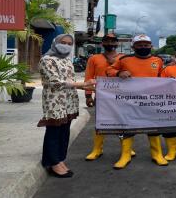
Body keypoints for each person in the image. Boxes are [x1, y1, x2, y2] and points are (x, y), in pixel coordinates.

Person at [38, 34, 95, 178]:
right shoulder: (46, 60)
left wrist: (89, 88)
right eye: (63, 42)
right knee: (54, 132)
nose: (66, 45)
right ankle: (51, 161)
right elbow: (55, 82)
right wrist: (84, 84)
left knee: (64, 132)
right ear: (55, 43)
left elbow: (71, 82)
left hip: (69, 101)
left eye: (69, 43)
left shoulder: (68, 61)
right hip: (54, 101)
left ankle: (60, 159)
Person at [106, 34, 168, 168]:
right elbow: (109, 70)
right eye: (139, 45)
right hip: (129, 101)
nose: (143, 47)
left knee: (154, 129)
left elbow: (163, 77)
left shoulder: (158, 60)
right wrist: (118, 73)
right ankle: (125, 155)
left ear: (151, 46)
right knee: (127, 128)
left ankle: (157, 155)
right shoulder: (124, 59)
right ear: (133, 47)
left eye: (146, 45)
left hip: (151, 101)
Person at [84, 34, 137, 162]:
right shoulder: (94, 58)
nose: (110, 43)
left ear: (117, 43)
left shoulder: (124, 58)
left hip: (121, 96)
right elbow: (89, 76)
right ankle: (97, 149)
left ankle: (127, 149)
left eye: (113, 41)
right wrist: (88, 95)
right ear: (102, 43)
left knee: (123, 122)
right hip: (102, 95)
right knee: (100, 122)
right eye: (107, 41)